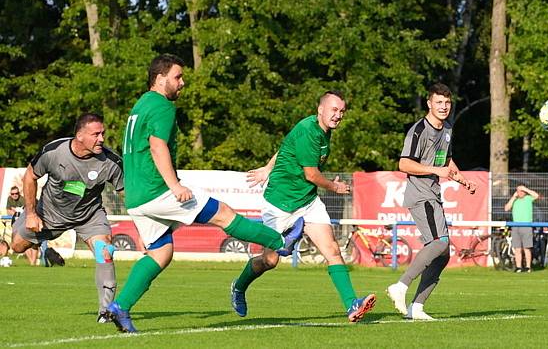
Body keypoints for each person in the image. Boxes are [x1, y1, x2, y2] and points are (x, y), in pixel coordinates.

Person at [107, 54, 301, 333]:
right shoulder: (161, 105)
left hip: (137, 197)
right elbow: (157, 146)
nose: (182, 83)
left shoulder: (140, 105)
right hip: (158, 190)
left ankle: (120, 306)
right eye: (178, 77)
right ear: (160, 79)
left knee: (161, 253)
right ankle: (280, 239)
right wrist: (174, 185)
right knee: (224, 215)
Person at [232, 90, 376, 323]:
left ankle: (352, 304)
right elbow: (311, 174)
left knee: (332, 249)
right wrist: (334, 187)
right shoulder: (309, 130)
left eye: (341, 111)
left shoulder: (321, 131)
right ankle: (238, 287)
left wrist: (268, 167)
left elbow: (285, 146)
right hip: (280, 203)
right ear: (320, 109)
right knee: (270, 260)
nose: (338, 115)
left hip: (307, 203)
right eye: (333, 109)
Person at [10, 113, 123, 321]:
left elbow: (128, 193)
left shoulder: (111, 161)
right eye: (96, 134)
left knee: (104, 251)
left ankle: (106, 312)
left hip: (89, 216)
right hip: (49, 214)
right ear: (80, 136)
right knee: (17, 246)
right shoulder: (54, 152)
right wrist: (32, 214)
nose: (102, 139)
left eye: (103, 133)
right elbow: (30, 176)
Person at [386, 83, 477, 320]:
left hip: (433, 195)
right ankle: (401, 286)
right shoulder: (418, 130)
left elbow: (446, 161)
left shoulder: (446, 129)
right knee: (439, 243)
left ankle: (416, 307)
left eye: (447, 103)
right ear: (429, 103)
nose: (444, 107)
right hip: (420, 195)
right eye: (439, 102)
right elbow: (404, 164)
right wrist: (435, 170)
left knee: (443, 254)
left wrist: (463, 180)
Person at [504, 184, 539, 272]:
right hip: (515, 226)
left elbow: (536, 195)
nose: (520, 193)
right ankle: (518, 267)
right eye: (519, 191)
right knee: (517, 248)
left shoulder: (528, 198)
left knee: (527, 248)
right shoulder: (514, 200)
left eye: (522, 191)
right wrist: (513, 197)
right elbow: (506, 208)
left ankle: (528, 267)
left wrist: (526, 189)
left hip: (526, 226)